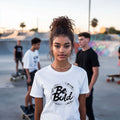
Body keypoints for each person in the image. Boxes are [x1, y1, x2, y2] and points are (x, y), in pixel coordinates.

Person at [30, 16, 89, 120]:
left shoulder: (81, 74)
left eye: (66, 46)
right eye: (57, 46)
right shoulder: (40, 75)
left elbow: (82, 109)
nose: (62, 50)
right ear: (51, 47)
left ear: (72, 47)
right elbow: (38, 111)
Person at [75, 32, 100, 120]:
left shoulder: (92, 54)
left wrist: (89, 88)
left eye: (81, 39)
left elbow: (96, 72)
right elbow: (76, 67)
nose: (79, 42)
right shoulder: (79, 53)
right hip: (78, 85)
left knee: (88, 109)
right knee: (78, 108)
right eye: (79, 40)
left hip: (87, 86)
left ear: (88, 40)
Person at [22, 37, 41, 114]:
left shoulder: (36, 52)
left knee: (32, 92)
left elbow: (38, 62)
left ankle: (30, 106)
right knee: (30, 91)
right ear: (33, 44)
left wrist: (40, 71)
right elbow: (25, 67)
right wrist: (28, 77)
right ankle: (26, 107)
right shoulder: (28, 54)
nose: (39, 46)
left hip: (35, 72)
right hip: (29, 73)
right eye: (38, 45)